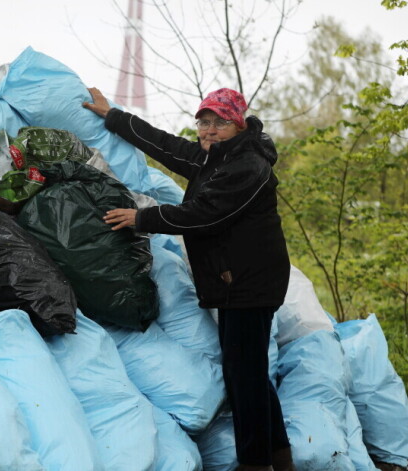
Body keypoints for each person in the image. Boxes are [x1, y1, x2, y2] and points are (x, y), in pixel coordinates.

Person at [83, 87, 294, 471]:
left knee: (242, 377)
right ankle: (279, 458)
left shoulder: (247, 166)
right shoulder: (216, 159)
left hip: (252, 283)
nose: (209, 131)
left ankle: (256, 464)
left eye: (220, 123)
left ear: (239, 124)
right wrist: (114, 117)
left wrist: (141, 218)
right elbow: (168, 148)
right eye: (205, 122)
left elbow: (204, 214)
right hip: (236, 281)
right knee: (247, 371)